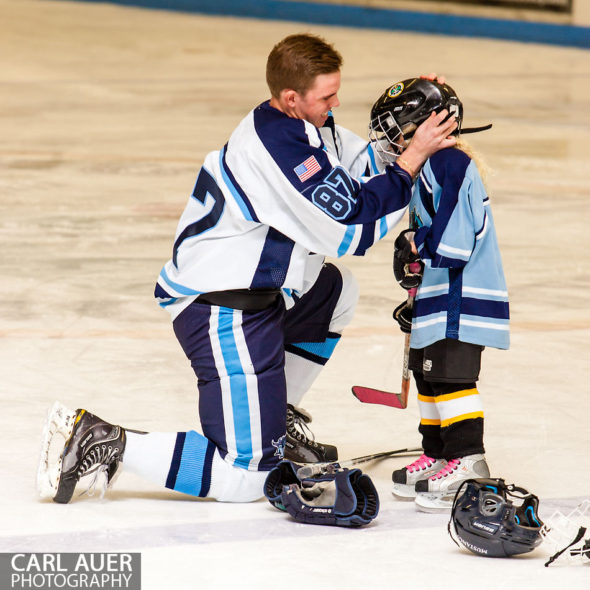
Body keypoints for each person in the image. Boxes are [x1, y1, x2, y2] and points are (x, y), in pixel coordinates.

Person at [38, 36, 457, 505]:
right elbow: (350, 228)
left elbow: (355, 165)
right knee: (245, 480)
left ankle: (276, 423)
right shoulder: (279, 149)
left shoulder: (300, 123)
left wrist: (413, 116)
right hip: (223, 309)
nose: (336, 104)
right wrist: (412, 158)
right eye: (326, 97)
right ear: (292, 99)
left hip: (257, 295)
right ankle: (103, 440)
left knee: (336, 292)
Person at [368, 77, 509, 512]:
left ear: (421, 126)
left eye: (395, 129)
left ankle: (469, 459)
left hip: (461, 298)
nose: (391, 140)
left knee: (451, 376)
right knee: (429, 374)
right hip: (439, 295)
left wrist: (414, 243)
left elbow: (451, 245)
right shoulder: (429, 167)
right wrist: (413, 265)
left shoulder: (450, 165)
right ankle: (438, 453)